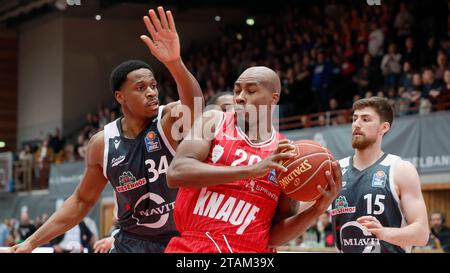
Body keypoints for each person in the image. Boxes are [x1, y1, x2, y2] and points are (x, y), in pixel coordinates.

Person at [9, 6, 203, 253]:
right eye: (141, 87)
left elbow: (195, 108)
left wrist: (174, 63)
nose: (152, 92)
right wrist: (31, 242)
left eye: (153, 85)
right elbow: (82, 200)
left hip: (179, 239)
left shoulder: (168, 120)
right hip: (130, 242)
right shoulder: (103, 142)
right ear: (120, 96)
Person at [164, 66, 342, 253]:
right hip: (195, 246)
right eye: (237, 90)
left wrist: (317, 210)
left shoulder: (287, 153)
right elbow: (176, 173)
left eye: (250, 91)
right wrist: (251, 170)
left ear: (274, 98)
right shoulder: (214, 121)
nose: (240, 97)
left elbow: (273, 237)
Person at [331, 96, 429, 253]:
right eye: (355, 118)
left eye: (365, 119)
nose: (357, 124)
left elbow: (422, 234)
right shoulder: (335, 170)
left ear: (384, 128)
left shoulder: (400, 169)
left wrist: (383, 233)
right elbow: (300, 207)